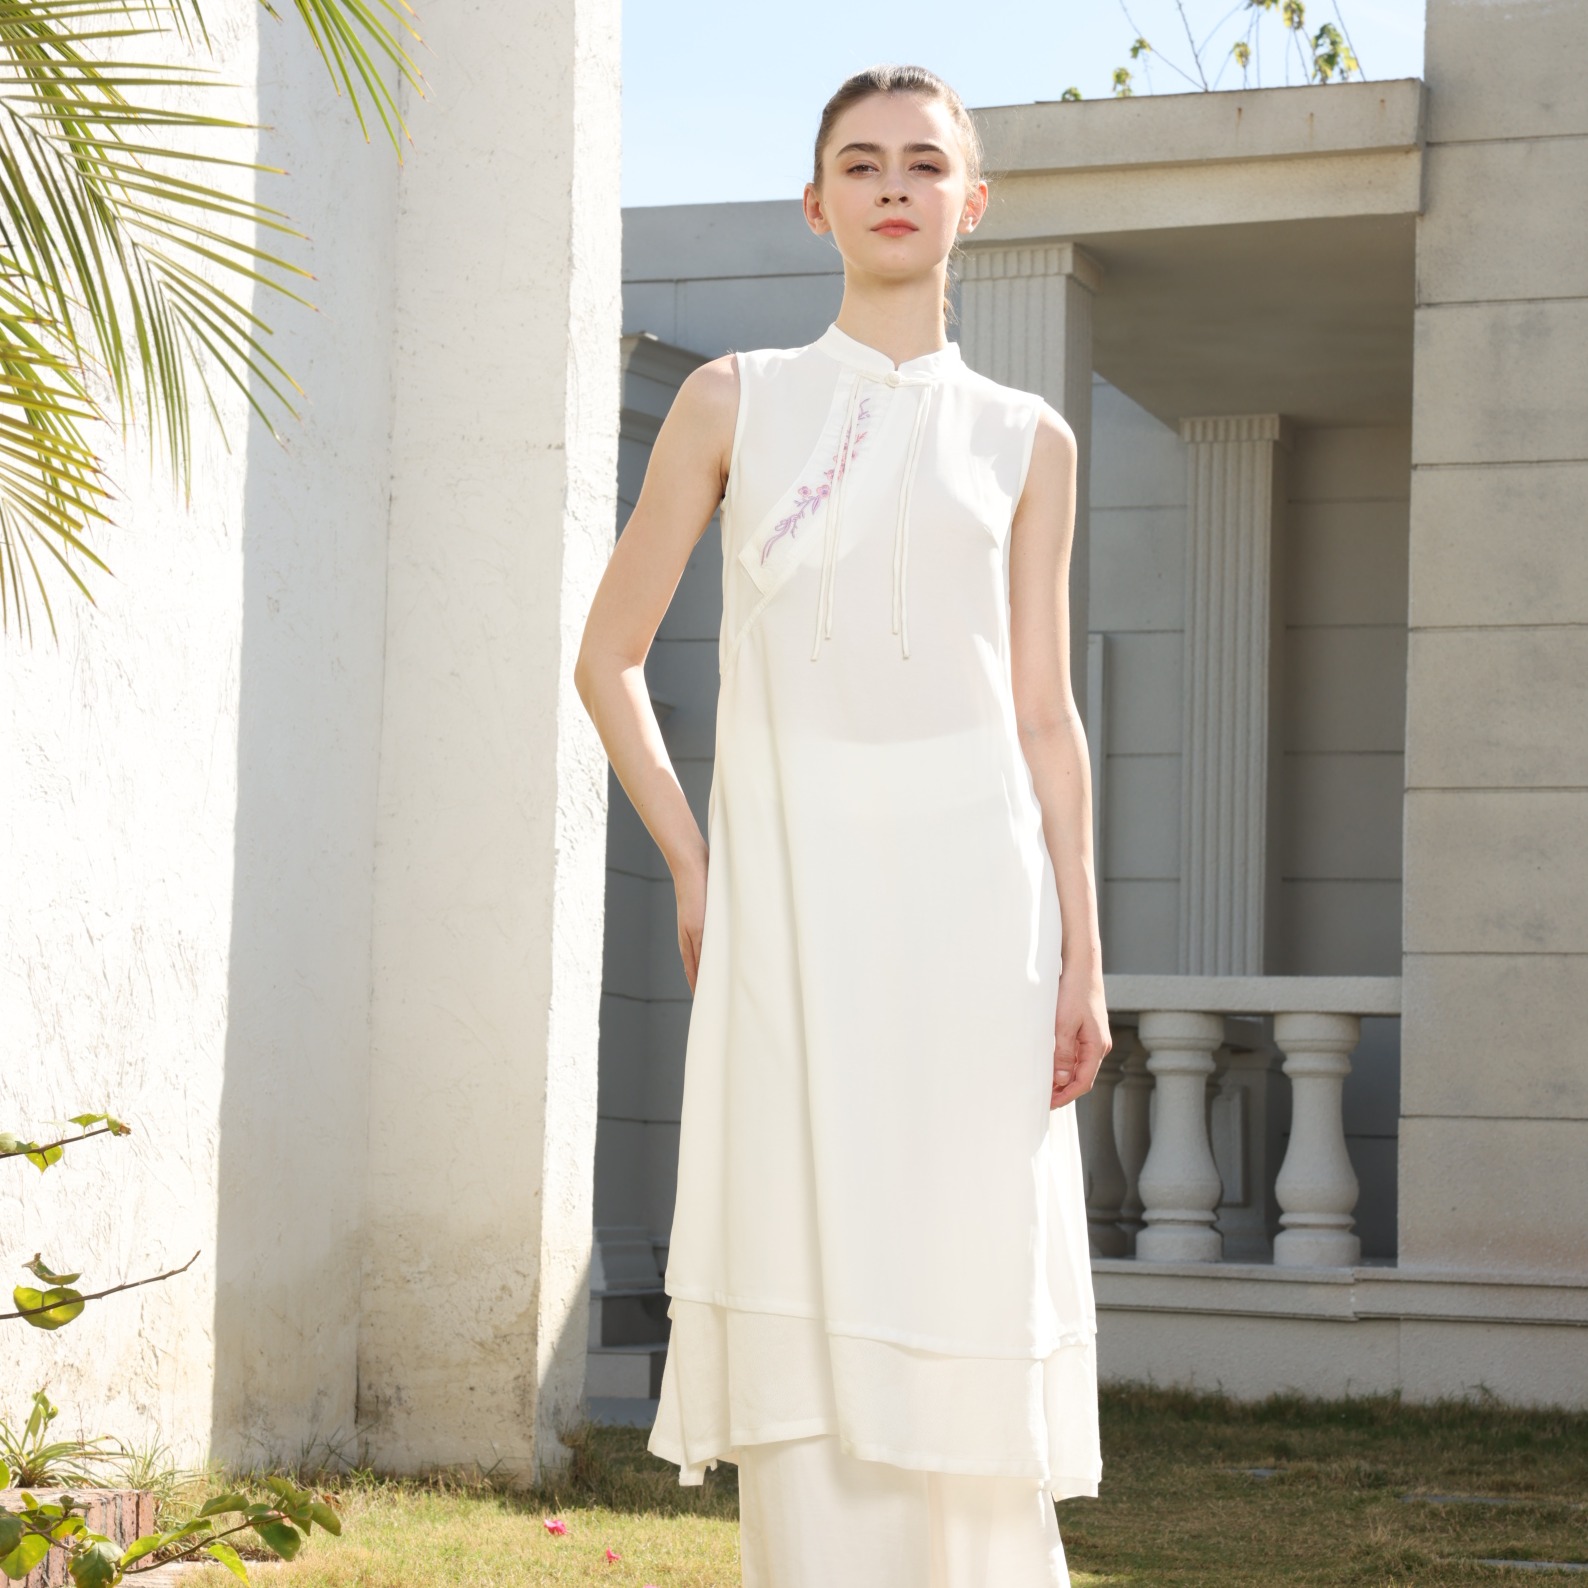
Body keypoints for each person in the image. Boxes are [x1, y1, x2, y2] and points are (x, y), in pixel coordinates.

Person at [574, 62, 1111, 1588]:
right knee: (806, 1254)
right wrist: (699, 869)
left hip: (979, 919)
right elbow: (607, 659)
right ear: (815, 206)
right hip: (796, 914)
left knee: (963, 1257)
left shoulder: (1027, 440)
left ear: (971, 204)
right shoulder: (733, 401)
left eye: (925, 163)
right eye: (861, 163)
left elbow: (1043, 716)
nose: (893, 186)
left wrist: (1083, 956)